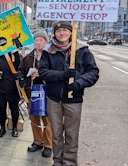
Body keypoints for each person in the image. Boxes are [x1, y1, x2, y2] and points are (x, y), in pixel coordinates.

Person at [39, 21, 99, 166]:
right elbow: (43, 72)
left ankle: (69, 163)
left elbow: (93, 72)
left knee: (71, 135)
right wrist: (62, 75)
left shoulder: (82, 50)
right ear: (55, 34)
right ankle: (57, 161)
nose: (62, 33)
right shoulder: (48, 51)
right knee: (56, 134)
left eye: (65, 30)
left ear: (71, 32)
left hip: (74, 100)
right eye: (59, 31)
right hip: (54, 99)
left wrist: (78, 84)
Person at [18, 28, 52, 157]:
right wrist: (24, 78)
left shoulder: (51, 56)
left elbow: (57, 74)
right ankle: (37, 141)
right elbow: (21, 71)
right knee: (34, 119)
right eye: (36, 40)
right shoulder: (28, 58)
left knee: (47, 120)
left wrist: (42, 74)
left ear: (46, 42)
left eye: (41, 40)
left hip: (48, 93)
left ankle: (48, 145)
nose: (38, 43)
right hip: (32, 92)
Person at [0, 51, 23, 138]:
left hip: (13, 88)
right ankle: (2, 128)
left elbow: (19, 67)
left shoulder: (16, 55)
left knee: (14, 109)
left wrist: (15, 53)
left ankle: (14, 128)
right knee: (1, 109)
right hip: (0, 89)